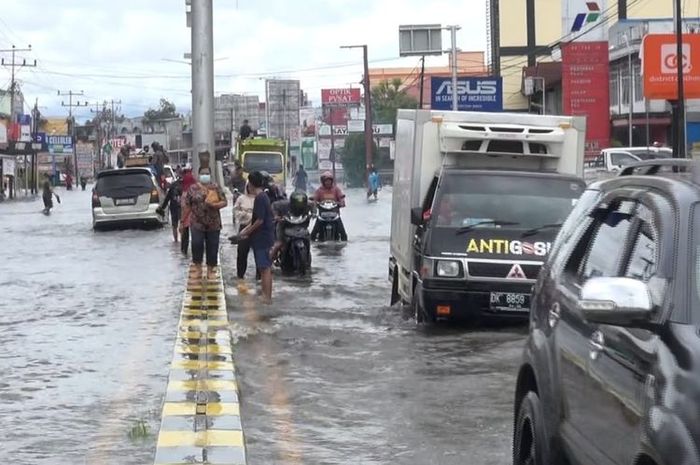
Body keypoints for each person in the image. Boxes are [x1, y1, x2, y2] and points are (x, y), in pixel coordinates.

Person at [181, 167, 228, 280]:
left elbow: (225, 201)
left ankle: (211, 270)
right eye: (203, 173)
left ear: (211, 175)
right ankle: (198, 268)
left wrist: (216, 205)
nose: (205, 175)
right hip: (197, 222)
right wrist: (182, 221)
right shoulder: (192, 189)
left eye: (207, 173)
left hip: (213, 223)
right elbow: (187, 205)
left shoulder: (216, 187)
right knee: (196, 244)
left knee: (213, 245)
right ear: (198, 175)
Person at [239, 171, 275, 304]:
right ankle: (266, 296)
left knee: (264, 269)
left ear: (251, 184)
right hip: (264, 237)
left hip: (262, 238)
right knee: (265, 268)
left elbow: (259, 221)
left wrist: (247, 232)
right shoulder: (264, 196)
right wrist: (245, 231)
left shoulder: (260, 198)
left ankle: (267, 297)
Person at [310, 171, 347, 241]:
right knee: (313, 234)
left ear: (332, 181)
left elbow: (341, 198)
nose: (328, 182)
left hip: (335, 215)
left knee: (343, 234)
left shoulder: (336, 189)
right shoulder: (319, 190)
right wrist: (314, 204)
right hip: (322, 215)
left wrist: (341, 203)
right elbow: (314, 199)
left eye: (329, 181)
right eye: (326, 181)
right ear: (323, 182)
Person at [232, 181, 256, 280]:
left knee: (258, 252)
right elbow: (235, 211)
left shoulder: (259, 198)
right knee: (242, 252)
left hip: (257, 228)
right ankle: (240, 275)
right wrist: (244, 214)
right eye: (249, 186)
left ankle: (259, 276)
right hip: (244, 227)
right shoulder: (241, 198)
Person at [157, 167, 184, 243]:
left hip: (175, 207)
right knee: (182, 224)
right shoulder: (184, 185)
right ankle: (181, 240)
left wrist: (162, 208)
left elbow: (167, 198)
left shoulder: (173, 185)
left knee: (175, 225)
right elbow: (168, 198)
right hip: (180, 208)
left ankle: (176, 241)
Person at [179, 167, 196, 255]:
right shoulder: (196, 191)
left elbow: (184, 208)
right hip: (196, 219)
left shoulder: (185, 194)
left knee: (185, 239)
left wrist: (181, 221)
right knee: (195, 239)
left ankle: (184, 254)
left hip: (186, 219)